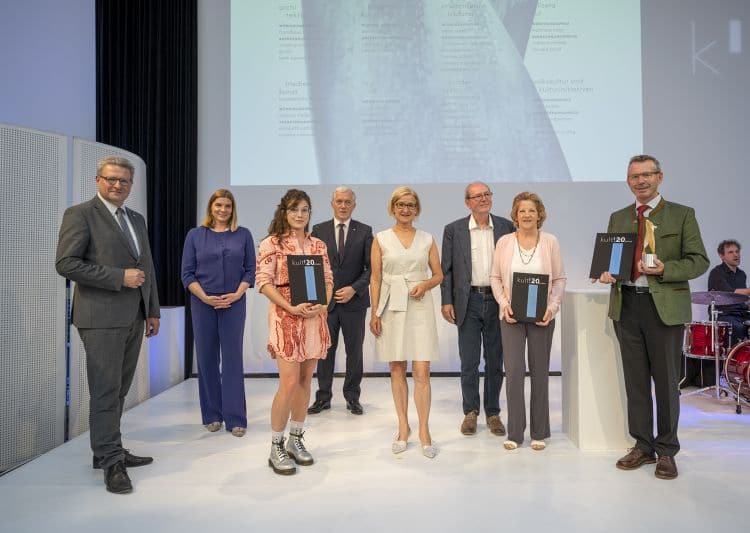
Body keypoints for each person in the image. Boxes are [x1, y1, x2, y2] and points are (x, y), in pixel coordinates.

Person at [597, 154, 708, 480]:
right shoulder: (618, 217)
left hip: (664, 310)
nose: (641, 181)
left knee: (666, 383)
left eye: (647, 175)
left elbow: (698, 261)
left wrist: (665, 269)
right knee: (636, 382)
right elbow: (613, 262)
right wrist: (606, 273)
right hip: (627, 306)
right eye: (635, 176)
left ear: (660, 177)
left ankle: (667, 450)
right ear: (629, 181)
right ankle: (643, 446)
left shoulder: (681, 215)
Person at [56, 156, 160, 494]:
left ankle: (107, 450)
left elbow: (147, 266)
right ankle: (111, 461)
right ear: (97, 180)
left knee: (118, 391)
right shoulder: (81, 214)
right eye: (111, 179)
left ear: (131, 185)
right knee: (105, 391)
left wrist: (153, 310)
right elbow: (66, 263)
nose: (117, 185)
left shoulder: (136, 218)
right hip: (100, 318)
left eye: (124, 181)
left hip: (134, 316)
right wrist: (118, 277)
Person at [256, 189, 333, 475]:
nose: (300, 215)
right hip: (286, 318)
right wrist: (290, 306)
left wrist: (322, 304)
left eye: (305, 210)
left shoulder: (318, 245)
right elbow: (264, 282)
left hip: (313, 319)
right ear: (284, 212)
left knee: (304, 381)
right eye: (294, 210)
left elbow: (327, 279)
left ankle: (296, 439)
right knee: (288, 383)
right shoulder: (271, 244)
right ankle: (275, 446)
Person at [370, 187, 443, 458]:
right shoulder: (381, 238)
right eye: (400, 204)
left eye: (411, 205)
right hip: (391, 306)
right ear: (392, 207)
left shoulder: (427, 239)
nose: (405, 209)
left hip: (420, 305)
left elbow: (438, 275)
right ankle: (403, 427)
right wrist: (374, 313)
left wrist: (425, 284)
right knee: (397, 368)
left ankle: (424, 429)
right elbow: (375, 279)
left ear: (417, 209)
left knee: (422, 371)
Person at [490, 192, 565, 452]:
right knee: (513, 373)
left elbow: (559, 280)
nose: (527, 215)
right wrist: (504, 303)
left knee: (540, 372)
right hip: (511, 316)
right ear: (515, 215)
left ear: (539, 214)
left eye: (531, 210)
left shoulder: (550, 241)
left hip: (541, 317)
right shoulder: (504, 242)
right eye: (522, 211)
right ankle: (515, 432)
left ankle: (539, 431)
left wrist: (552, 308)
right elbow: (496, 277)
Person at [441, 182, 515, 437]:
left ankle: (493, 412)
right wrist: (446, 301)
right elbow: (447, 269)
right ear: (467, 202)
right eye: (477, 196)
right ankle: (470, 412)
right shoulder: (453, 230)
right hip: (468, 301)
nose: (483, 199)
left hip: (497, 300)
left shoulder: (506, 227)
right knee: (469, 361)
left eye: (487, 194)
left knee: (495, 361)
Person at [181, 189, 255, 436]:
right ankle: (212, 415)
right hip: (202, 304)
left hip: (234, 304)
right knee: (206, 359)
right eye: (219, 205)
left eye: (228, 206)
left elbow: (250, 270)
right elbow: (187, 273)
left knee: (233, 359)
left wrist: (237, 294)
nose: (223, 210)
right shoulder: (195, 235)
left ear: (233, 209)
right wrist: (204, 297)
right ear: (210, 207)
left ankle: (236, 419)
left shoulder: (243, 235)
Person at [308, 187, 373, 416]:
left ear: (354, 205)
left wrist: (354, 290)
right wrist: (316, 299)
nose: (343, 205)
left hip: (354, 303)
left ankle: (352, 398)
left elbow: (371, 268)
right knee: (324, 352)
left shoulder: (365, 231)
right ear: (332, 203)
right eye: (339, 201)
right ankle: (323, 398)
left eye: (347, 202)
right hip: (326, 305)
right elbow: (312, 267)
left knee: (354, 352)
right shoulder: (318, 230)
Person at [707, 239, 750, 344]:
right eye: (730, 252)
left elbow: (742, 298)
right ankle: (735, 358)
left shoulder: (742, 274)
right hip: (724, 314)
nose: (736, 254)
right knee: (738, 327)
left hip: (741, 313)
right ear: (722, 256)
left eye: (737, 251)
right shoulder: (717, 272)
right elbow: (729, 294)